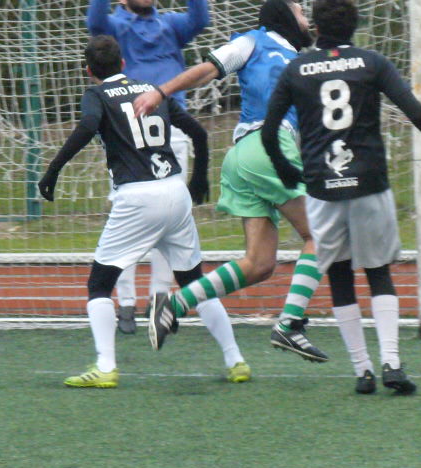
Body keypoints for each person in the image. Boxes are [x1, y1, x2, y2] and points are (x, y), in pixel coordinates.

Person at [260, 0, 421, 394]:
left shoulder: (296, 68)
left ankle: (363, 371)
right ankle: (392, 363)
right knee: (378, 272)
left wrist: (285, 168)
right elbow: (415, 112)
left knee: (340, 275)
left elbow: (269, 132)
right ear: (355, 27)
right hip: (369, 181)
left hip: (322, 187)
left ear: (315, 28)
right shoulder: (372, 62)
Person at [38, 35, 250, 387]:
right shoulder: (152, 90)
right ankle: (236, 360)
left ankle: (106, 367)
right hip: (175, 192)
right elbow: (198, 133)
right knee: (195, 283)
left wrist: (53, 170)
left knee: (99, 285)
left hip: (137, 197)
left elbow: (88, 125)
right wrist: (199, 178)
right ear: (123, 64)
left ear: (88, 71)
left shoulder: (96, 94)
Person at [134, 0, 328, 363]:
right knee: (321, 235)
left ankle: (173, 304)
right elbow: (206, 70)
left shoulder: (300, 61)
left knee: (259, 264)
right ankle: (290, 324)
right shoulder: (254, 40)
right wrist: (161, 92)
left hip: (245, 157)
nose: (306, 18)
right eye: (301, 12)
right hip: (265, 149)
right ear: (283, 15)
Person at [87, 0, 210, 334]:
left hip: (173, 130)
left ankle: (159, 300)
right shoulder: (117, 26)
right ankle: (126, 302)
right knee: (124, 221)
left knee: (170, 224)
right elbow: (95, 21)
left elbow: (201, 18)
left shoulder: (170, 25)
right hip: (125, 134)